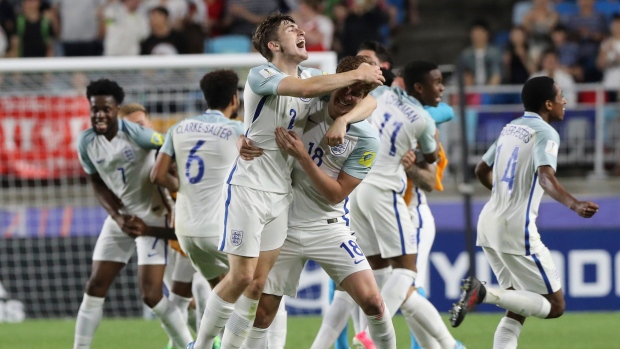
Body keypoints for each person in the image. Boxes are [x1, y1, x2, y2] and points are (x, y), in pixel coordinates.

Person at [191, 12, 384, 349]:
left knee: (257, 285)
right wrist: (358, 70)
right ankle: (203, 344)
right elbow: (309, 88)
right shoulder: (263, 74)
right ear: (274, 44)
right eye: (290, 29)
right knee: (240, 277)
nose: (300, 31)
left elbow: (366, 98)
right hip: (250, 188)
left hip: (281, 196)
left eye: (300, 27)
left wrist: (343, 121)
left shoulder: (313, 77)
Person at [243, 55, 395, 349]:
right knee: (261, 313)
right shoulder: (307, 101)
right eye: (347, 86)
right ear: (336, 79)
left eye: (358, 93)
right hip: (281, 225)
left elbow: (336, 194)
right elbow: (260, 113)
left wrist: (333, 129)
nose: (350, 96)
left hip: (328, 227)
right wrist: (242, 135)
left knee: (374, 302)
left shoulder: (365, 140)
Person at [450, 76, 599, 349]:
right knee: (555, 306)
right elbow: (545, 177)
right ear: (547, 103)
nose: (564, 101)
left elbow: (480, 170)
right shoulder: (546, 133)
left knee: (518, 306)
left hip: (489, 222)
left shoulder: (510, 128)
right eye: (560, 96)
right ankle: (484, 293)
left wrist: (503, 195)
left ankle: (487, 295)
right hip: (515, 228)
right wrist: (574, 204)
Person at [350, 60, 465, 349]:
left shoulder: (382, 96)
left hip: (359, 189)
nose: (441, 89)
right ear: (417, 86)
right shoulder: (423, 120)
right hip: (390, 196)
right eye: (437, 83)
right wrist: (415, 155)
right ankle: (370, 332)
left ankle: (445, 345)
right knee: (406, 273)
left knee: (384, 274)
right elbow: (430, 161)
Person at [74, 79, 193, 349]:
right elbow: (97, 184)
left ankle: (189, 345)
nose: (99, 114)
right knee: (94, 287)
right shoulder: (86, 142)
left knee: (152, 295)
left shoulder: (138, 134)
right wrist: (117, 217)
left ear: (116, 109)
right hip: (120, 219)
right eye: (95, 109)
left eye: (106, 109)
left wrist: (175, 182)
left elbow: (170, 149)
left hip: (152, 217)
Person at [119, 102, 198, 349]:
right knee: (181, 301)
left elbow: (186, 210)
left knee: (191, 296)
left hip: (189, 235)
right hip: (165, 238)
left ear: (151, 126)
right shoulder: (126, 165)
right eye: (130, 128)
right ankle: (210, 341)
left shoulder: (171, 159)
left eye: (141, 126)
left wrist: (147, 229)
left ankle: (197, 343)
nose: (137, 132)